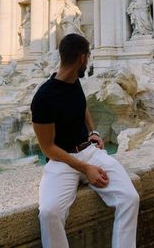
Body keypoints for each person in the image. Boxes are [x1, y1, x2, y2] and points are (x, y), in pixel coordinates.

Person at [31, 34, 140, 248]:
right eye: (88, 57)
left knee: (129, 198)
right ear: (82, 58)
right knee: (48, 212)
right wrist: (85, 168)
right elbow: (48, 148)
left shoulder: (75, 82)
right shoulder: (43, 98)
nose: (88, 61)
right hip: (61, 161)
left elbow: (82, 107)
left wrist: (94, 131)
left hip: (89, 152)